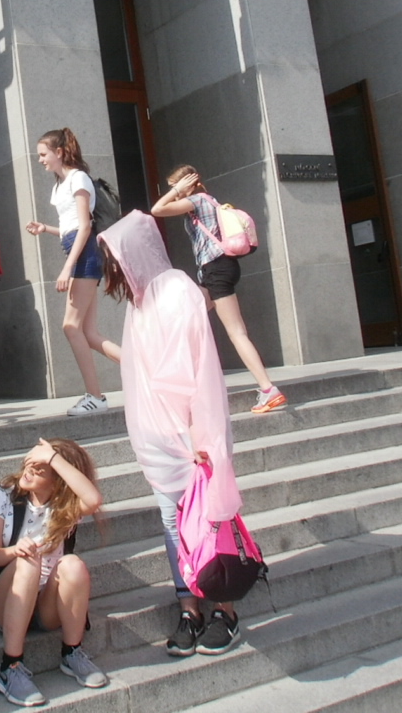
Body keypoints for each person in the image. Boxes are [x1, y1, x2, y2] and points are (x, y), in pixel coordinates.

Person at [97, 210, 244, 658]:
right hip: (161, 436)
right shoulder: (140, 302)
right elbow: (143, 369)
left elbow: (192, 366)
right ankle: (189, 608)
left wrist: (199, 436)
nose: (114, 269)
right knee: (173, 522)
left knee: (210, 516)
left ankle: (225, 609)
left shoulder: (176, 288)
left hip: (193, 431)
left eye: (115, 258)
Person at [0, 438, 107, 707]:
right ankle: (10, 667)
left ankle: (72, 653)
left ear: (58, 481)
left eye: (41, 470)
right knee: (29, 560)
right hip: (5, 599)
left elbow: (93, 499)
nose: (30, 471)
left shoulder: (65, 507)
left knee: (73, 564)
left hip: (44, 605)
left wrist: (54, 458)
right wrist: (15, 551)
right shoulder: (5, 495)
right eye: (31, 464)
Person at [150, 165, 285, 415]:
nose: (173, 191)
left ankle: (268, 389)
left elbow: (157, 209)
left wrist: (178, 191)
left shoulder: (197, 200)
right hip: (216, 270)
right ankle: (186, 383)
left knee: (237, 332)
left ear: (188, 183)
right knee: (188, 320)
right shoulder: (208, 200)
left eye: (174, 186)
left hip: (216, 270)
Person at [24, 128, 120, 416]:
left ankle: (95, 396)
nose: (40, 159)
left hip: (85, 256)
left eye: (43, 154)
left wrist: (67, 267)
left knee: (70, 326)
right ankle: (149, 371)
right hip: (79, 252)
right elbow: (71, 227)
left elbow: (85, 226)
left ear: (59, 152)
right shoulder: (62, 184)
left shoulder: (78, 178)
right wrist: (46, 228)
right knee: (88, 333)